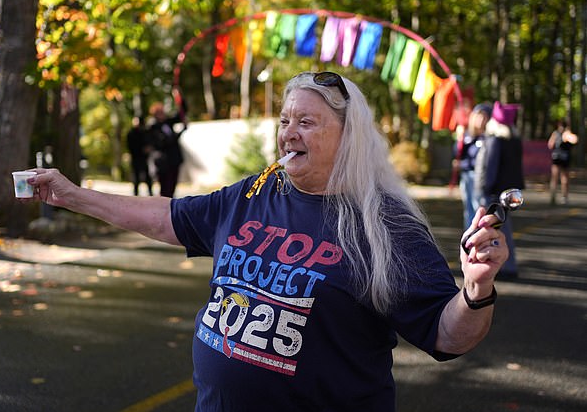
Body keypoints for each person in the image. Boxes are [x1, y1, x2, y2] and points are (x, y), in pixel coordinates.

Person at [26, 71, 508, 411]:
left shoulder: (386, 224)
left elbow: (448, 335)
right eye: (284, 120)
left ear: (349, 136)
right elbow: (169, 217)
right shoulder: (257, 190)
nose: (287, 134)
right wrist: (72, 196)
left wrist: (476, 288)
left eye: (306, 122)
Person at [474, 101, 524, 280]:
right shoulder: (514, 140)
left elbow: (490, 170)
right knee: (502, 230)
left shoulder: (495, 140)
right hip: (509, 193)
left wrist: (483, 190)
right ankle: (504, 264)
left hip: (495, 193)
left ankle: (505, 266)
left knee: (498, 231)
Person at [453, 103, 491, 228]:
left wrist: (461, 164)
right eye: (479, 116)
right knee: (468, 208)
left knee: (478, 208)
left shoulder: (488, 138)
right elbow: (458, 153)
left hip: (479, 178)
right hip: (466, 177)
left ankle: (479, 235)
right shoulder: (467, 135)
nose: (481, 120)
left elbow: (480, 161)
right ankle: (468, 235)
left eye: (484, 117)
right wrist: (459, 138)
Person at [149, 89, 188, 197]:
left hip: (174, 159)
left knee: (172, 187)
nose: (163, 113)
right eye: (160, 112)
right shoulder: (153, 128)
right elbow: (164, 142)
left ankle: (170, 208)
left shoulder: (168, 122)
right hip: (163, 162)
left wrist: (179, 98)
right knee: (165, 189)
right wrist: (181, 131)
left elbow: (182, 113)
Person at [548, 119, 578, 205]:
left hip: (558, 157)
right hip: (563, 158)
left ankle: (555, 196)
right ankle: (563, 196)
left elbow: (550, 145)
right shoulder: (564, 133)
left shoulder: (557, 133)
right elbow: (575, 140)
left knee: (556, 177)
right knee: (562, 177)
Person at [126, 116, 154, 196]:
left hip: (144, 158)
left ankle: (150, 192)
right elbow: (131, 146)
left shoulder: (145, 132)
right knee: (136, 177)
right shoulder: (131, 133)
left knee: (147, 176)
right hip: (136, 158)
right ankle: (136, 193)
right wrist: (141, 149)